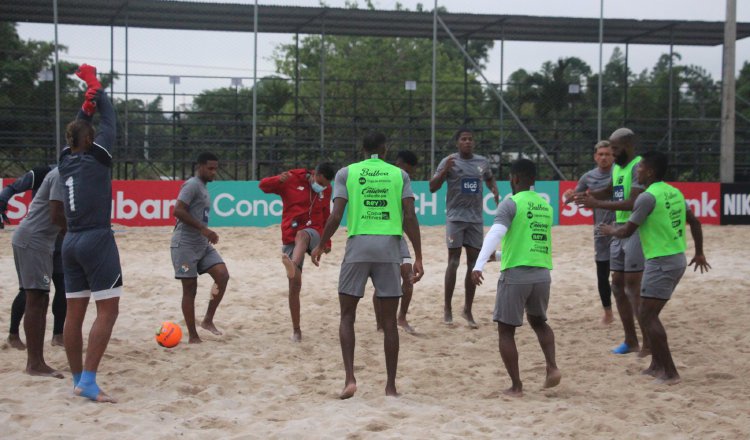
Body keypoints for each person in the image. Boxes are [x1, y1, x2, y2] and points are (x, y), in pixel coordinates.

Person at [311, 132, 424, 399]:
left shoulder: (346, 173)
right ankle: (391, 386)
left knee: (347, 316)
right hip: (389, 248)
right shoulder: (399, 175)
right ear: (384, 149)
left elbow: (336, 214)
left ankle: (350, 378)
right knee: (389, 322)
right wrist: (418, 255)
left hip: (358, 246)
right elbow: (409, 216)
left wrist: (321, 244)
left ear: (362, 149)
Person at [599, 151, 710, 385]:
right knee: (649, 313)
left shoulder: (647, 198)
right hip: (674, 258)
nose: (636, 171)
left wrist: (610, 231)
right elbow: (695, 222)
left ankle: (670, 372)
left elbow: (627, 231)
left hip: (661, 262)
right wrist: (698, 252)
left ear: (649, 171)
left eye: (640, 168)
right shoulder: (674, 192)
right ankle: (656, 365)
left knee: (648, 315)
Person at [472, 158, 561, 397]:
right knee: (539, 322)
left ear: (514, 178)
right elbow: (528, 243)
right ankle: (552, 367)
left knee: (506, 331)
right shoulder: (545, 207)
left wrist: (478, 264)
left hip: (516, 277)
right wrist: (499, 256)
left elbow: (495, 233)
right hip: (542, 274)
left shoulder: (511, 203)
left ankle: (516, 385)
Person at [58, 64, 120, 402]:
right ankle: (90, 382)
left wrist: (86, 102)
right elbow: (110, 120)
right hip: (96, 238)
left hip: (69, 241)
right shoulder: (98, 156)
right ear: (90, 139)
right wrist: (97, 86)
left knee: (74, 314)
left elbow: (80, 127)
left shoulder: (65, 158)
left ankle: (78, 379)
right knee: (108, 311)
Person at [573, 128, 648, 356]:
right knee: (616, 284)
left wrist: (597, 204)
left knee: (633, 288)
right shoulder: (618, 167)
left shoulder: (638, 166)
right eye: (609, 150)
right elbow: (610, 191)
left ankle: (648, 341)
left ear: (628, 145)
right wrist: (589, 196)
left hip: (634, 230)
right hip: (617, 230)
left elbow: (633, 202)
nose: (612, 154)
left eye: (615, 149)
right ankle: (630, 340)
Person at [259, 162, 337, 342]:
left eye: (326, 185)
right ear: (314, 173)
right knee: (295, 285)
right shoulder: (291, 179)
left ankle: (292, 265)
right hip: (290, 236)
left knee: (303, 234)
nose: (323, 187)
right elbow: (263, 186)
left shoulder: (327, 189)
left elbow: (326, 215)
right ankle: (296, 330)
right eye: (321, 182)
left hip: (314, 233)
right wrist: (277, 179)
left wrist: (328, 242)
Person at [429, 127, 499, 327]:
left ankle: (467, 310)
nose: (467, 142)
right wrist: (444, 171)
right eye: (464, 139)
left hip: (476, 219)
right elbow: (432, 187)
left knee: (473, 263)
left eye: (470, 139)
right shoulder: (449, 161)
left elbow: (489, 177)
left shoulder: (482, 162)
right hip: (455, 218)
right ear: (457, 143)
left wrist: (493, 189)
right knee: (453, 261)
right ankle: (447, 308)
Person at [9, 165, 66, 378]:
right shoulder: (61, 175)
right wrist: (75, 235)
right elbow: (56, 215)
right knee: (36, 298)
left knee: (39, 298)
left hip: (37, 241)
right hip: (34, 242)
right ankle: (34, 363)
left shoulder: (63, 174)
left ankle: (37, 360)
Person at [171, 152, 230, 344]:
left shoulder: (203, 187)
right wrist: (204, 229)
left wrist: (203, 233)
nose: (214, 172)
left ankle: (207, 321)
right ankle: (193, 336)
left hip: (201, 244)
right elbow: (178, 210)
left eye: (216, 168)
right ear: (200, 167)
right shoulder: (192, 185)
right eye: (210, 168)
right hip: (185, 245)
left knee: (222, 275)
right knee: (190, 289)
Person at [563, 141, 616, 325]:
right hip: (601, 231)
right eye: (600, 154)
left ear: (613, 156)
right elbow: (571, 199)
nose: (603, 157)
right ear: (595, 157)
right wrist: (568, 196)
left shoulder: (620, 173)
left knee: (622, 274)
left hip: (622, 229)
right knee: (602, 273)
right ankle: (608, 312)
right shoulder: (588, 177)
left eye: (607, 154)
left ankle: (630, 308)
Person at [373, 150, 419, 334]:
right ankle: (380, 325)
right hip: (378, 237)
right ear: (399, 164)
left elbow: (408, 216)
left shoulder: (403, 181)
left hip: (397, 237)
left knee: (408, 278)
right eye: (408, 170)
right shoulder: (384, 179)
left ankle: (401, 318)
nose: (409, 175)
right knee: (381, 284)